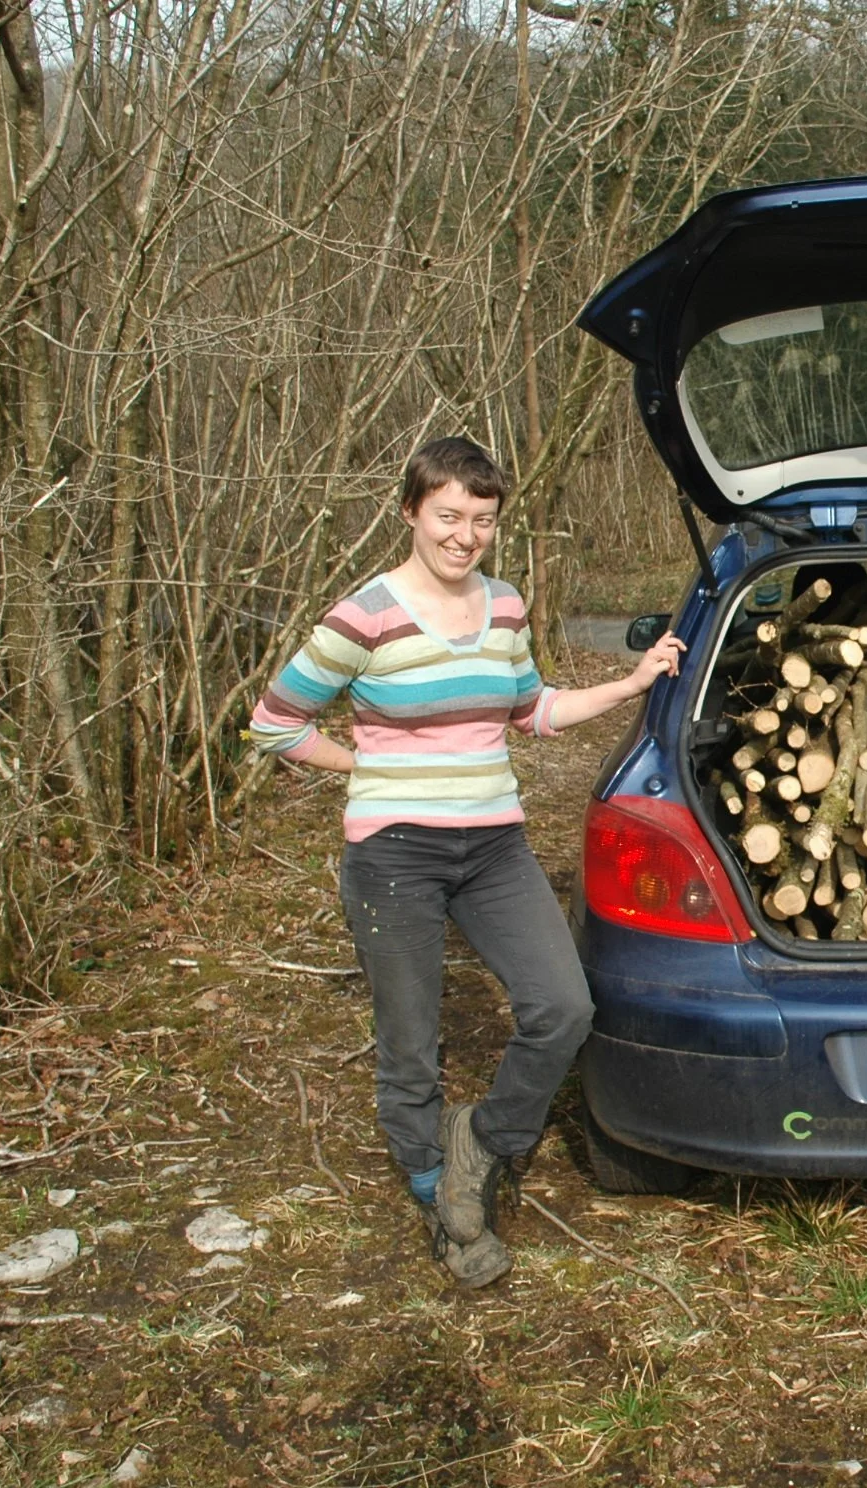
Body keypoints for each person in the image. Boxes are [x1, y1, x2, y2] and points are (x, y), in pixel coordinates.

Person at [248, 436, 684, 1287]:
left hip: (494, 848)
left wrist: (632, 685)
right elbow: (275, 723)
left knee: (562, 1005)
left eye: (482, 521)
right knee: (410, 1044)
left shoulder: (508, 606)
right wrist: (368, 768)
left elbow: (533, 709)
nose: (464, 535)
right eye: (448, 516)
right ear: (410, 511)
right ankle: (443, 1202)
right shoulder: (361, 616)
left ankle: (480, 1145)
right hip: (394, 857)